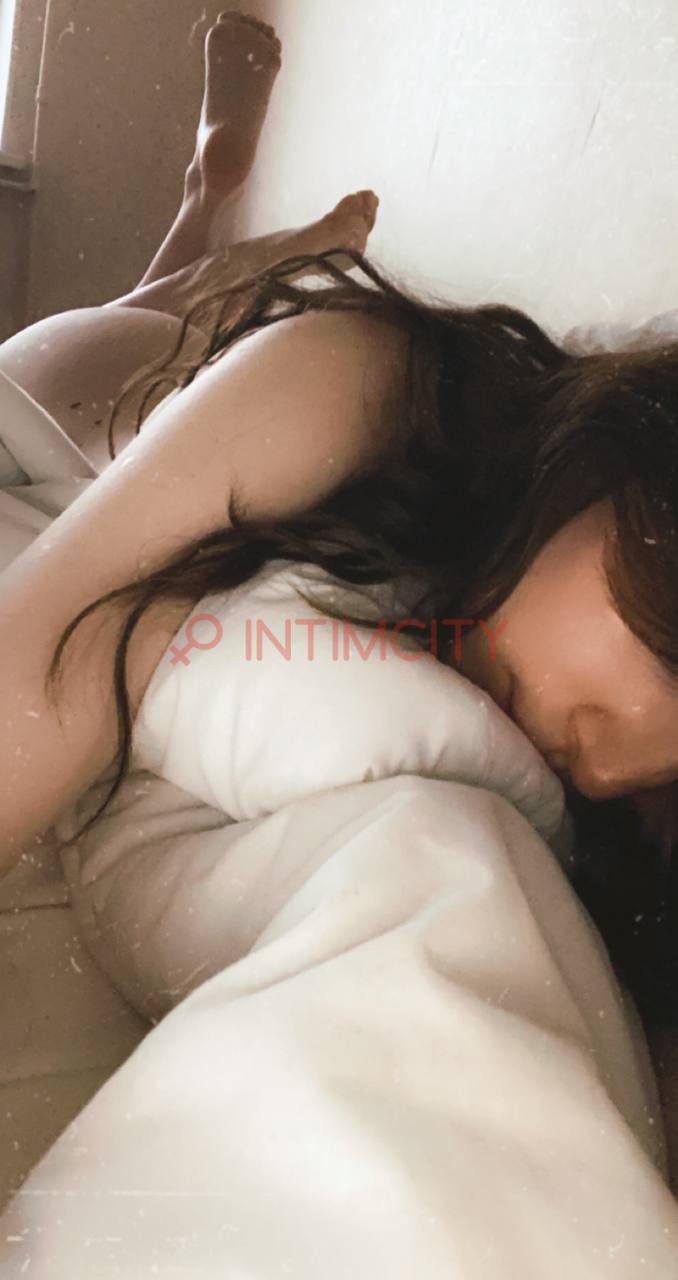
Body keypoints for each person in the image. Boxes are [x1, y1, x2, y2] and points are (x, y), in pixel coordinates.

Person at [0, 10, 677, 1033]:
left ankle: (225, 208)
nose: (608, 768)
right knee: (164, 304)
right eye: (671, 663)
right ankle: (215, 186)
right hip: (84, 395)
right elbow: (55, 656)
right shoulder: (371, 384)